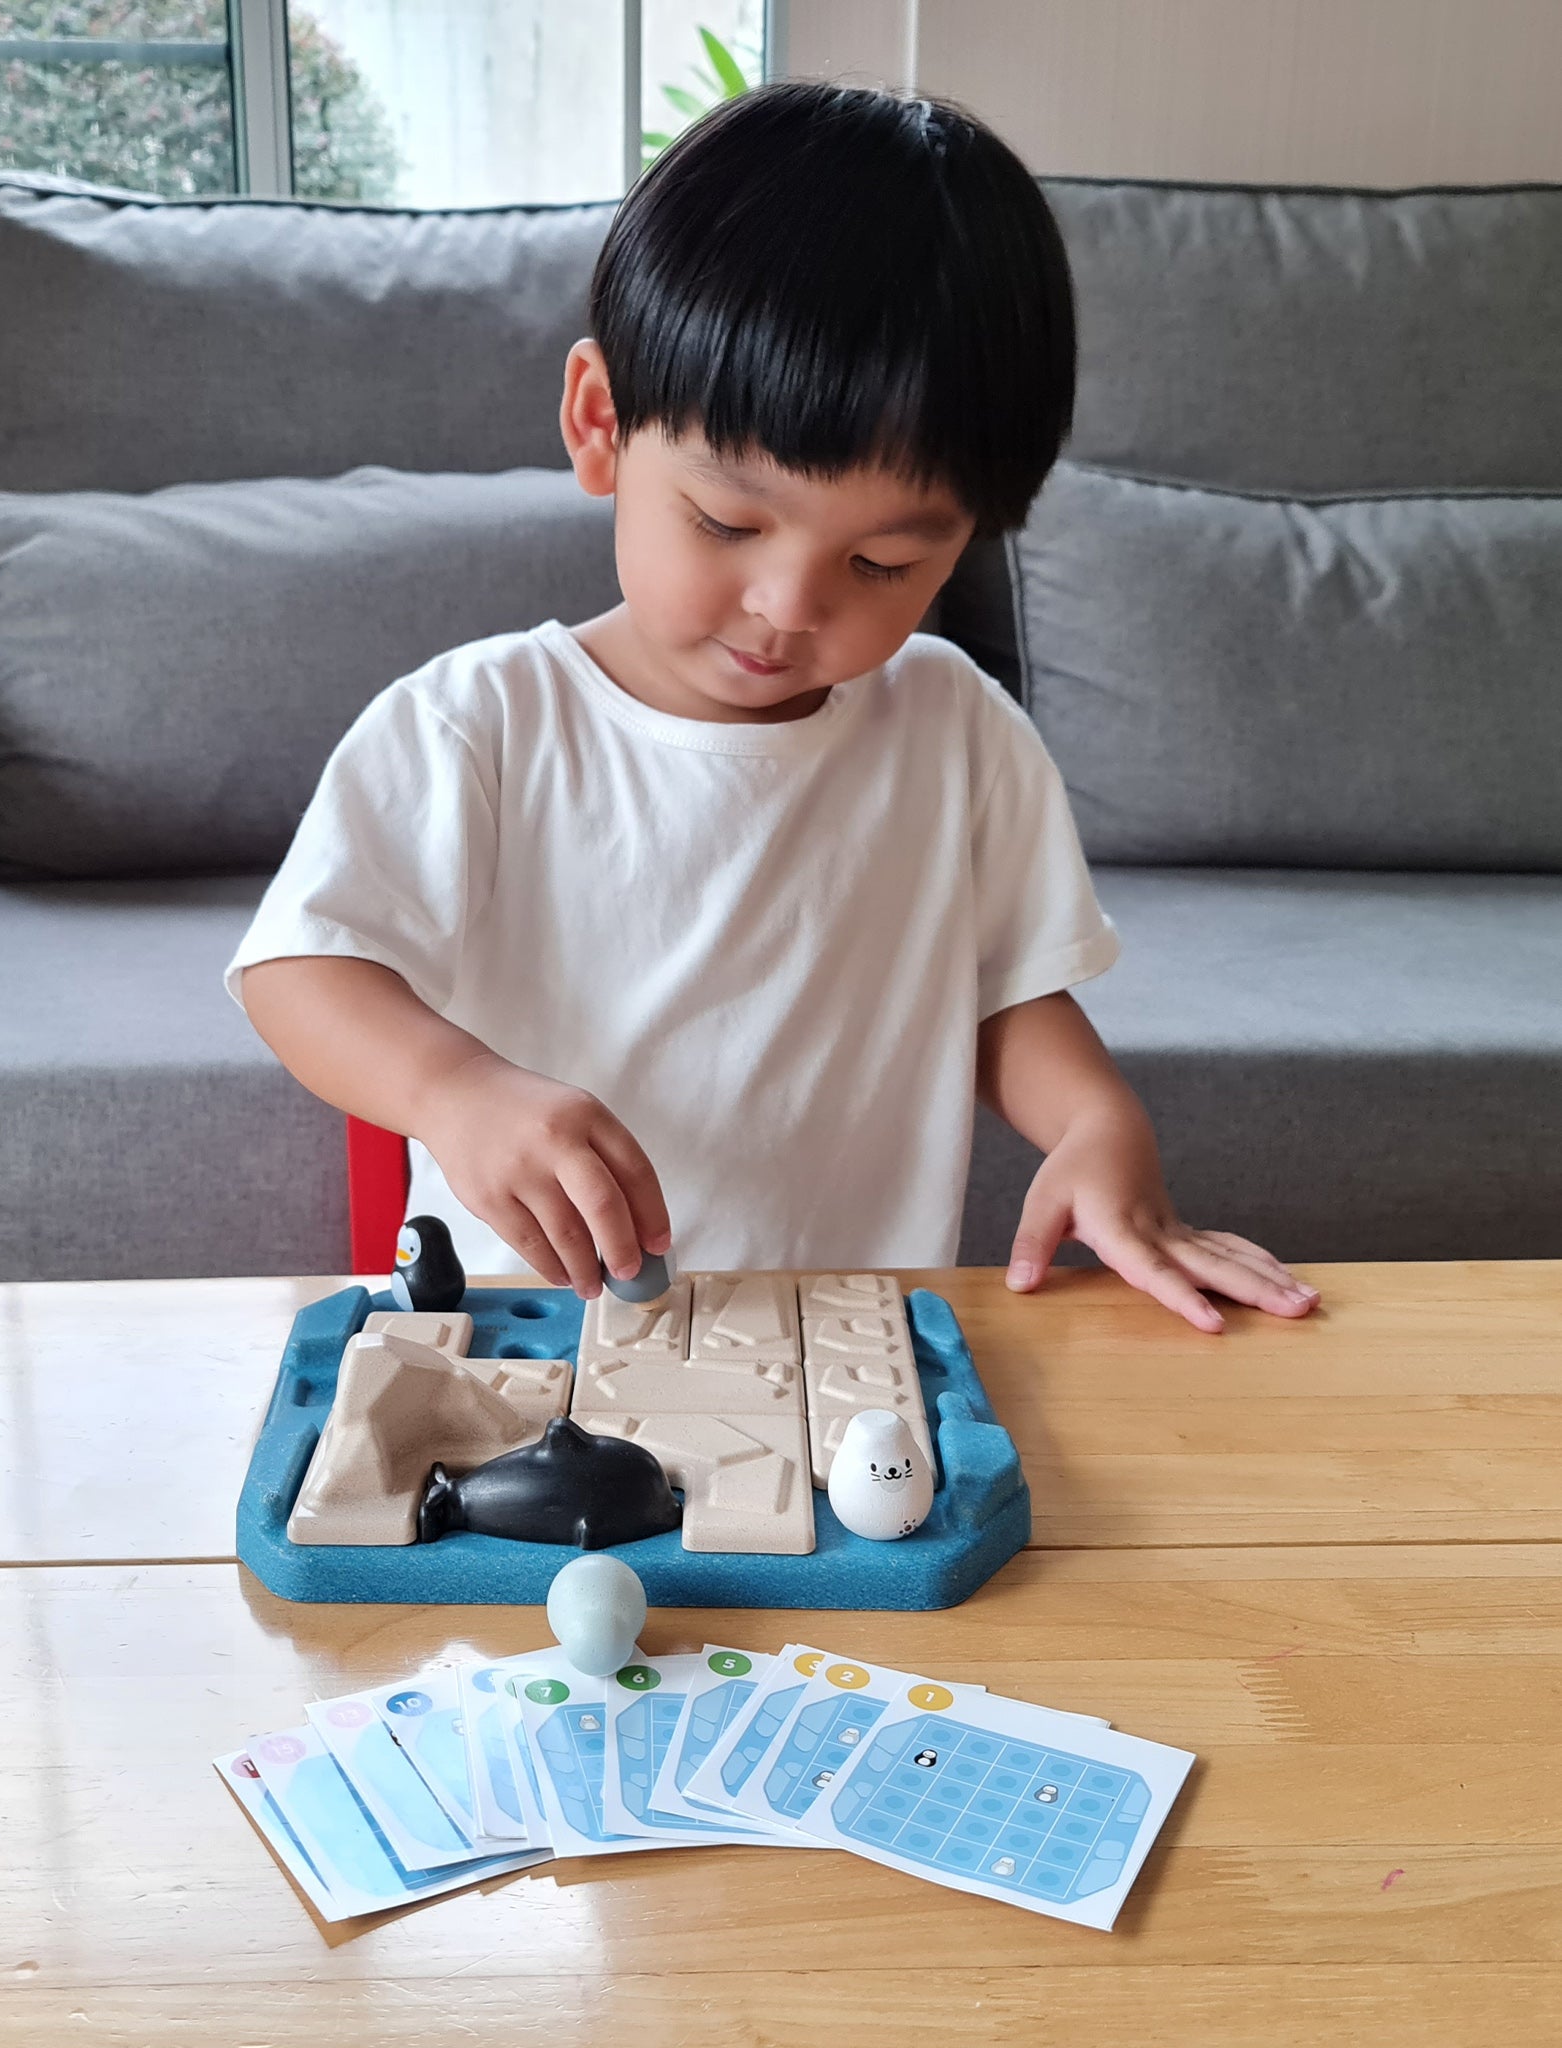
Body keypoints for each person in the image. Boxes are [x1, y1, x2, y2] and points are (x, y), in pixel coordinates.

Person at [229, 80, 1319, 1335]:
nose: (790, 605)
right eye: (727, 522)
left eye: (884, 564)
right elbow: (299, 967)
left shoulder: (952, 732)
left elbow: (1008, 994)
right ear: (600, 424)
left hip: (845, 1337)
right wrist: (455, 1089)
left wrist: (1095, 1125)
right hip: (527, 1333)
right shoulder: (480, 722)